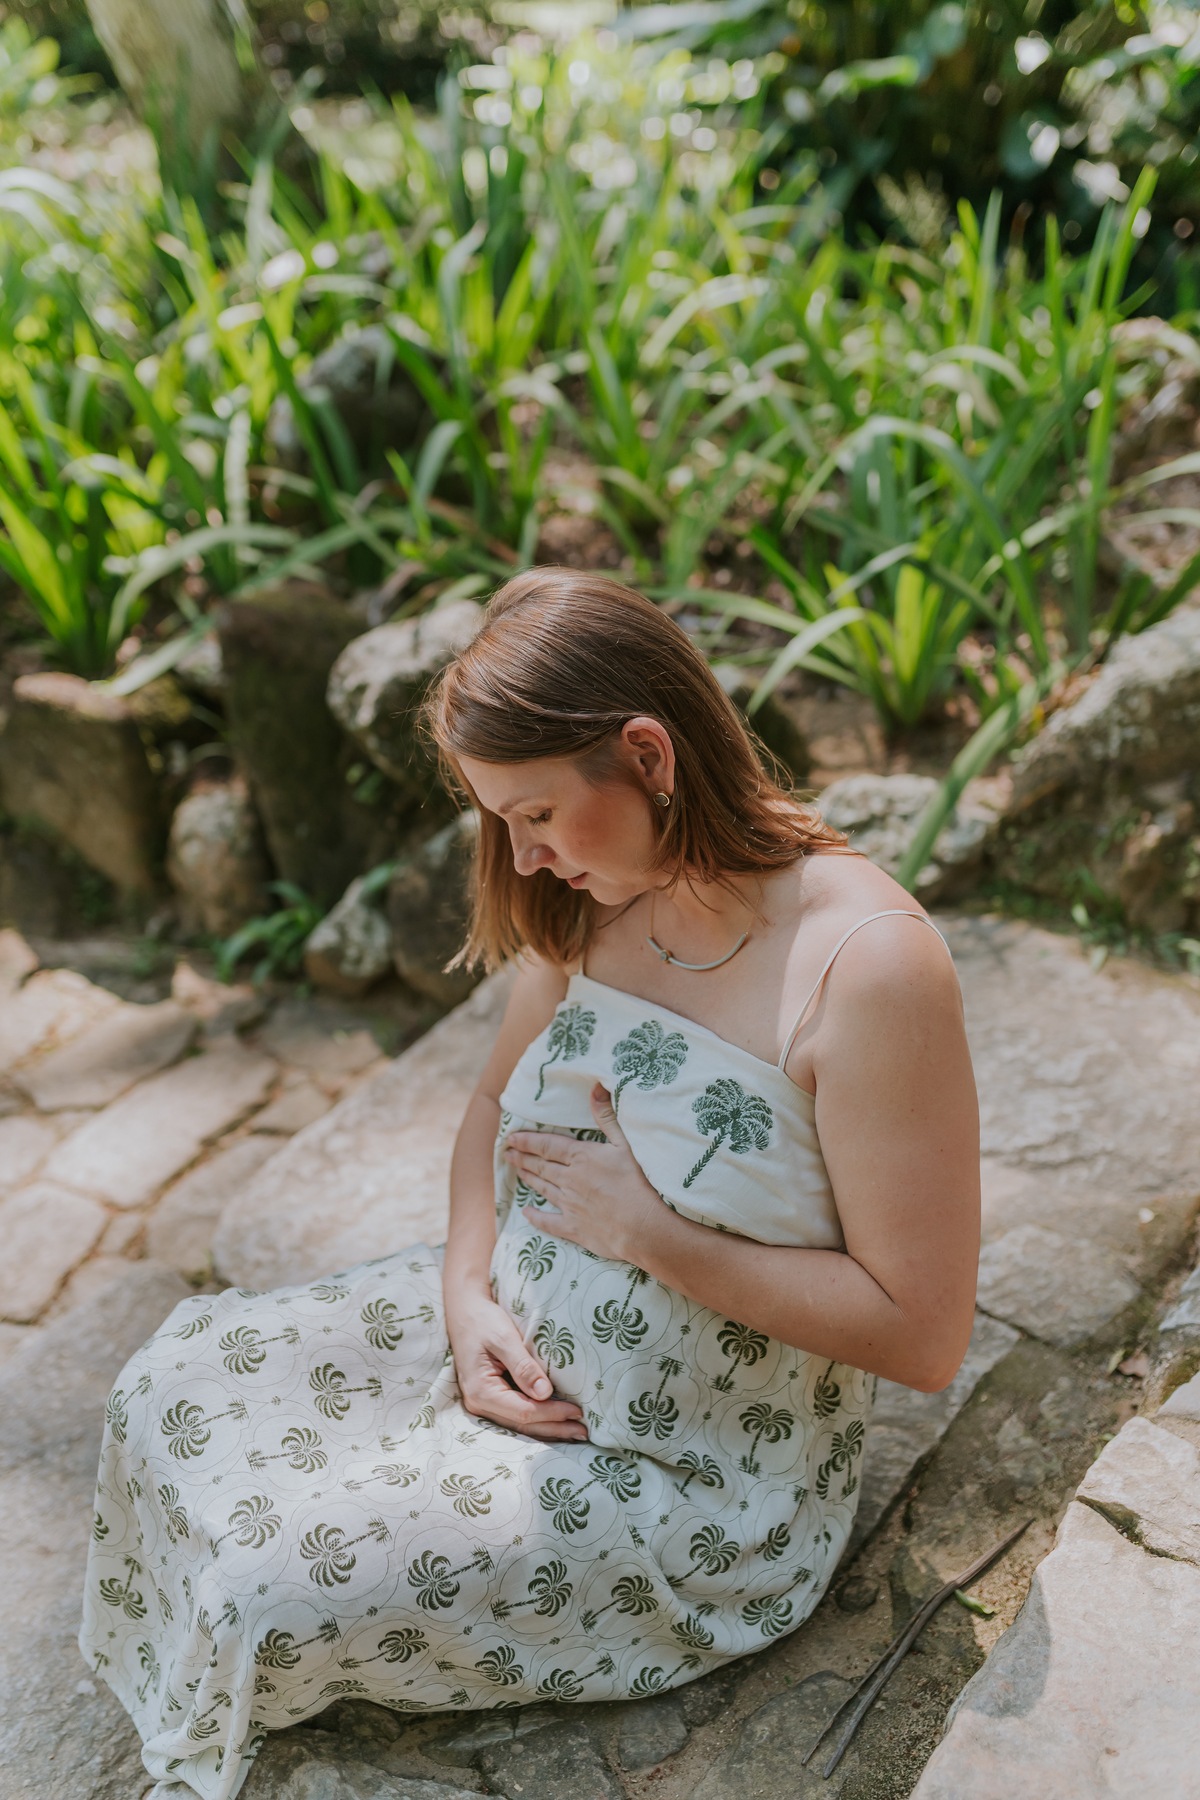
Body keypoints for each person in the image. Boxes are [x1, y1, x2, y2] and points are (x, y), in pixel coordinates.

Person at [80, 572, 980, 1800]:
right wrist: (465, 1303)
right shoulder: (591, 895)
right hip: (506, 1333)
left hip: (690, 1483)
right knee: (160, 1387)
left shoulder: (867, 969)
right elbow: (486, 1107)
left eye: (538, 811)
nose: (521, 853)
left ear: (650, 756)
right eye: (499, 817)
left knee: (263, 1587)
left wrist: (655, 1238)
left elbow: (924, 1336)